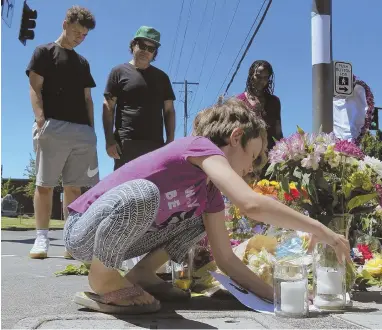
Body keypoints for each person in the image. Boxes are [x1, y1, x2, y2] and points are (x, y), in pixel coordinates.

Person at [63, 98, 350, 314]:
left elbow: (225, 258)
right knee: (144, 193)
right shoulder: (199, 146)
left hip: (125, 242)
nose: (252, 167)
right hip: (85, 231)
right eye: (253, 155)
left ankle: (142, 274)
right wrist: (321, 229)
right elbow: (249, 204)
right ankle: (104, 278)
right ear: (236, 137)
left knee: (199, 219)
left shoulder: (208, 192)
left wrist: (276, 293)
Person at [26, 6, 99, 259]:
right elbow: (35, 88)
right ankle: (41, 239)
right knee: (45, 185)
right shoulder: (44, 52)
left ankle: (71, 242)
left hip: (82, 131)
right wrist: (40, 120)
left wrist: (92, 130)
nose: (80, 37)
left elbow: (88, 98)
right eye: (77, 31)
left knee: (74, 188)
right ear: (65, 24)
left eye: (84, 35)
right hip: (53, 126)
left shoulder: (82, 62)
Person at [103, 26, 176, 170]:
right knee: (125, 189)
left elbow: (169, 111)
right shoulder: (118, 72)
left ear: (154, 53)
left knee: (153, 189)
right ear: (133, 45)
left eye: (151, 49)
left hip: (155, 144)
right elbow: (108, 107)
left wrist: (170, 141)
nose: (146, 51)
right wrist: (109, 140)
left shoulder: (162, 78)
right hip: (126, 143)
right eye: (142, 46)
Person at [236, 60, 283, 161]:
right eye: (258, 76)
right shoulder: (239, 101)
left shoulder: (274, 101)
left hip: (270, 157)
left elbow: (278, 132)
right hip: (247, 157)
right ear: (251, 75)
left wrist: (282, 153)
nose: (261, 81)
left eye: (265, 77)